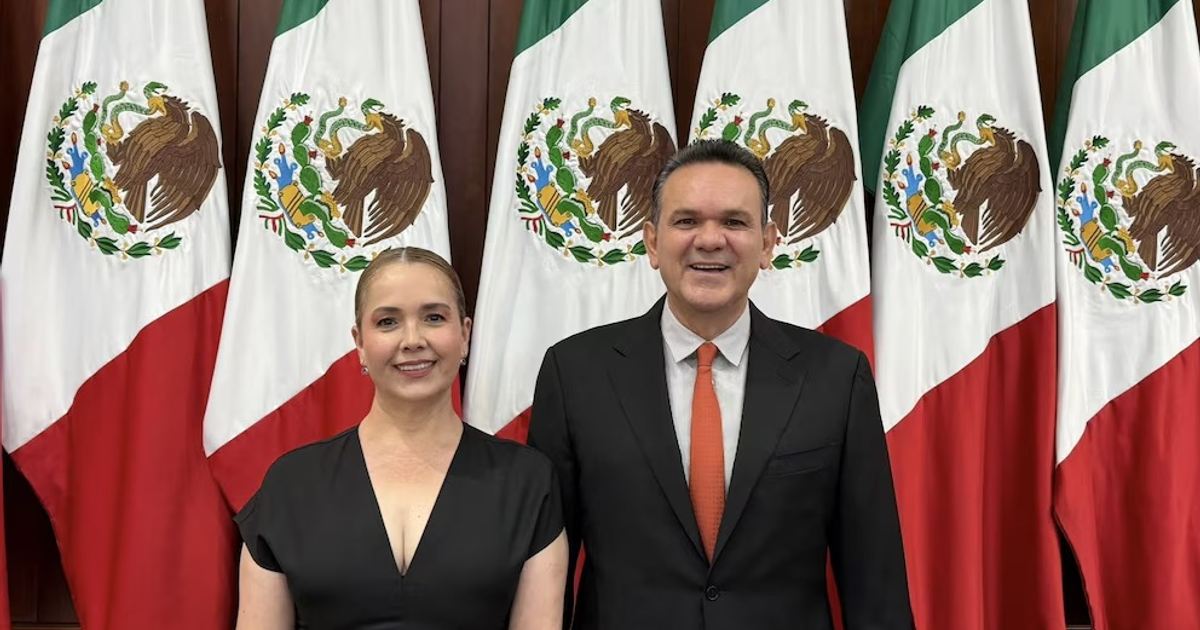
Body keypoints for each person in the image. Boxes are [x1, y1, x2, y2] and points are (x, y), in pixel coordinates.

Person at [528, 140, 913, 629]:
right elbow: (545, 573)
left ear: (767, 244)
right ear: (652, 242)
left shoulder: (835, 376)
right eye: (686, 221)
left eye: (734, 222)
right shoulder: (575, 374)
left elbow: (875, 582)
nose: (710, 240)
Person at [235, 247, 567, 630]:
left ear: (464, 335)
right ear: (360, 343)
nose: (412, 339)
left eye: (433, 317)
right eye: (388, 322)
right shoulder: (291, 484)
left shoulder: (527, 482)